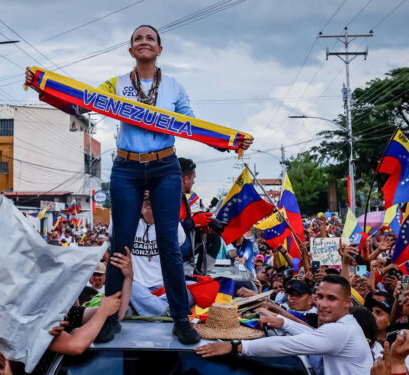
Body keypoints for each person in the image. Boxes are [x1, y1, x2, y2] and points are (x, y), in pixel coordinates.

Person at [27, 25, 251, 345]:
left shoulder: (174, 87)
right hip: (126, 167)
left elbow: (194, 127)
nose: (144, 42)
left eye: (150, 39)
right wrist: (45, 89)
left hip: (164, 167)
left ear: (160, 49)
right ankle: (109, 318)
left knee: (169, 245)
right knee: (120, 242)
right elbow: (83, 102)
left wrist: (230, 142)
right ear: (130, 50)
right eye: (137, 39)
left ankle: (179, 319)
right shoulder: (115, 84)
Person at [195, 274, 373, 375]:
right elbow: (311, 334)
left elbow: (287, 345)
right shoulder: (344, 326)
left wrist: (235, 347)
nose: (322, 304)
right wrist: (284, 323)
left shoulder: (340, 330)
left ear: (348, 302)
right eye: (320, 296)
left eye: (331, 298)